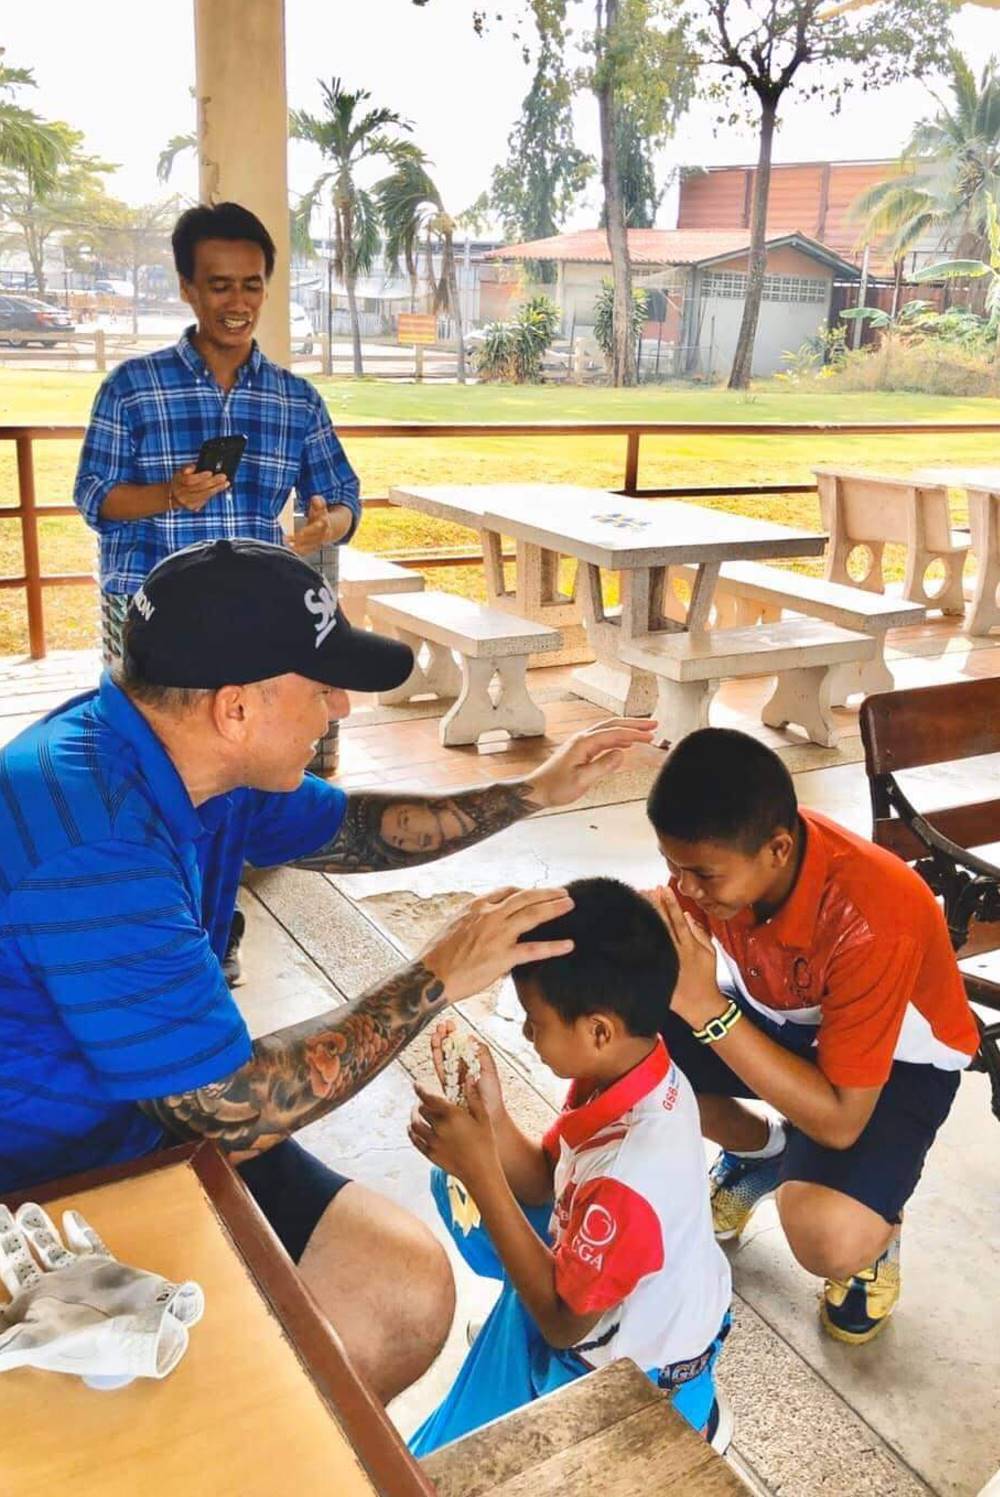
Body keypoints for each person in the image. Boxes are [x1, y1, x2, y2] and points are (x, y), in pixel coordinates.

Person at [0, 537, 655, 1405]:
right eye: (321, 687)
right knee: (208, 1398)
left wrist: (529, 791)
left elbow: (350, 829)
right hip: (41, 1176)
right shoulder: (95, 842)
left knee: (402, 1293)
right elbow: (227, 1109)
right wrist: (435, 976)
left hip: (137, 1121)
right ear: (236, 708)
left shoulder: (185, 755)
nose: (340, 707)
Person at [73, 200, 362, 982]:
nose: (238, 301)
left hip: (247, 624)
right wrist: (170, 493)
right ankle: (156, 920)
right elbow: (94, 497)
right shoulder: (133, 388)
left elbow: (344, 498)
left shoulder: (294, 399)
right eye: (219, 284)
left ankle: (216, 919)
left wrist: (323, 523)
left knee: (233, 773)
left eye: (252, 284)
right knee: (150, 776)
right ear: (188, 288)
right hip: (146, 615)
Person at [646, 728, 979, 1345]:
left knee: (825, 1234)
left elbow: (841, 1121)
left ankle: (875, 1228)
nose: (685, 890)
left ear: (777, 849)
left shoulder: (874, 918)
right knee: (621, 1034)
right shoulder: (738, 862)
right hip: (793, 1022)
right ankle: (762, 1151)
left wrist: (709, 1011)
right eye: (673, 867)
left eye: (702, 874)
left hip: (895, 1068)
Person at [407, 878, 733, 1455]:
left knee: (439, 1460)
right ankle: (518, 1317)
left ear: (598, 1030)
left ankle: (683, 1418)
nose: (526, 1033)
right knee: (454, 1175)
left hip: (625, 1373)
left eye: (535, 1021)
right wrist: (493, 1118)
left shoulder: (631, 1175)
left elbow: (562, 1324)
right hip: (615, 1297)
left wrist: (481, 1169)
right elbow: (542, 1179)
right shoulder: (630, 1070)